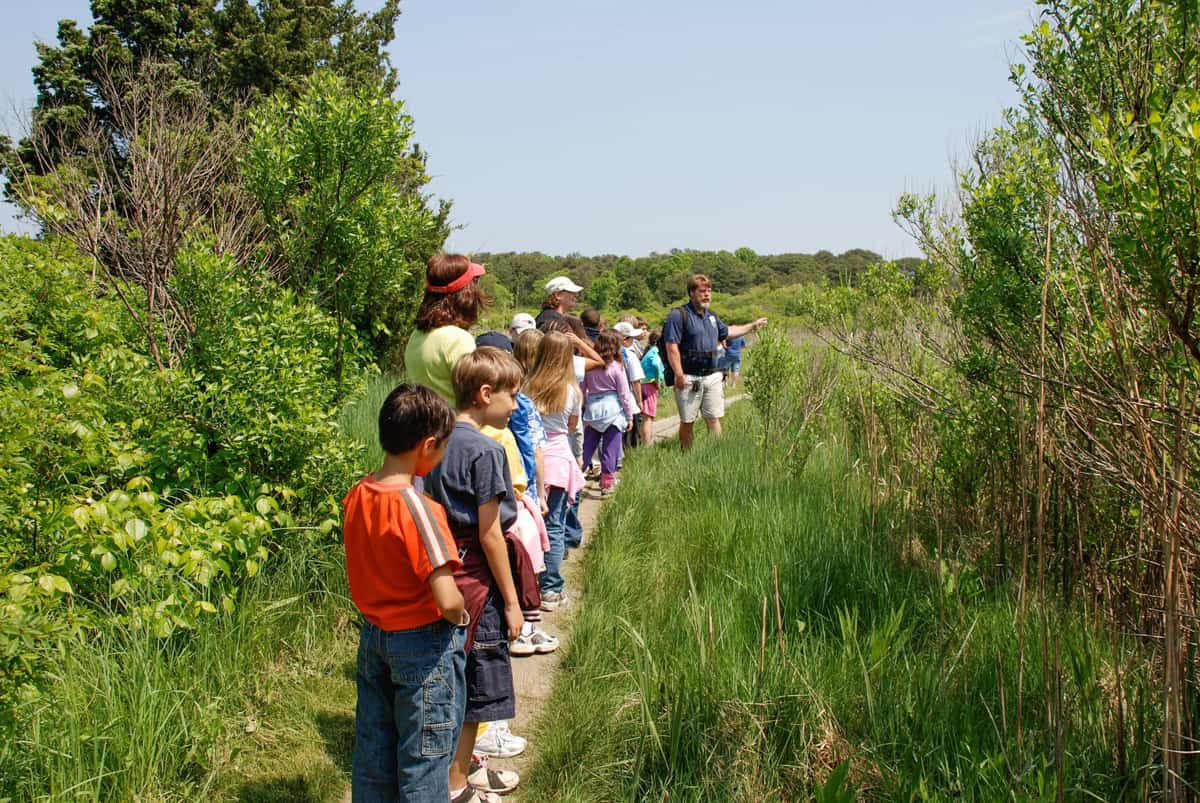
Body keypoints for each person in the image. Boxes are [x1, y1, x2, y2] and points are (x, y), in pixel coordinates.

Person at [343, 384, 469, 802]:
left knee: (374, 753)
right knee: (424, 760)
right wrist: (461, 619)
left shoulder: (359, 493)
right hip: (421, 646)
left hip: (374, 637)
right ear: (428, 445)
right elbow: (447, 597)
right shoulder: (417, 507)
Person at [425, 348, 526, 802]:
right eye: (512, 396)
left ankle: (435, 772)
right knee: (478, 686)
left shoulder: (435, 440)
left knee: (443, 675)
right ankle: (456, 784)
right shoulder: (486, 450)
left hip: (439, 573)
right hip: (478, 582)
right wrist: (511, 600)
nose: (517, 406)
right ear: (486, 394)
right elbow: (490, 535)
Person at [662, 274, 767, 452]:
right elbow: (671, 347)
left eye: (709, 291)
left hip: (712, 376)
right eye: (702, 291)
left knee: (713, 418)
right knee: (688, 421)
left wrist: (752, 326)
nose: (707, 295)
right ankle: (687, 457)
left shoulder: (712, 316)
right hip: (688, 377)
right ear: (691, 293)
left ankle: (717, 455)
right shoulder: (678, 315)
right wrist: (679, 374)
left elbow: (728, 332)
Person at [522, 331, 587, 610]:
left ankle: (529, 581)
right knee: (556, 526)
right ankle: (551, 589)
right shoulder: (572, 391)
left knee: (530, 524)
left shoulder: (526, 386)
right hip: (559, 460)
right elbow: (571, 427)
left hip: (530, 460)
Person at [405, 254, 488, 405]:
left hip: (427, 422)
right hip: (455, 425)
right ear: (466, 295)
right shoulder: (458, 339)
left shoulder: (416, 335)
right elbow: (475, 401)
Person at [581, 330, 638, 496]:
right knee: (610, 449)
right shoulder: (617, 368)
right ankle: (607, 483)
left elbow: (582, 390)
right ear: (615, 348)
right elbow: (624, 395)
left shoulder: (589, 367)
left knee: (587, 447)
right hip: (613, 412)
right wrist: (629, 416)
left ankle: (577, 475)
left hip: (592, 411)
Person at [613, 321, 646, 450]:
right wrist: (639, 401)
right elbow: (636, 380)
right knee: (632, 441)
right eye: (632, 337)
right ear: (625, 339)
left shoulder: (607, 354)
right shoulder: (629, 355)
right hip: (630, 403)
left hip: (613, 405)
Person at [640, 330, 665, 446]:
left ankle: (643, 442)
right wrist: (657, 378)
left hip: (643, 385)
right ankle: (646, 444)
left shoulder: (649, 351)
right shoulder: (655, 351)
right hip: (649, 385)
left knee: (645, 416)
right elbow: (655, 365)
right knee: (648, 417)